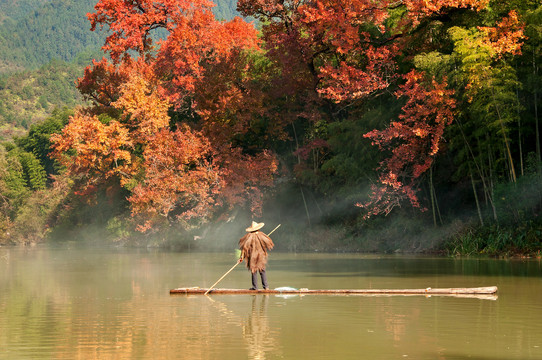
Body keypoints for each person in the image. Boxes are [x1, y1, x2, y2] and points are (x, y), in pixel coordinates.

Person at [238, 221, 274, 290]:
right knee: (262, 270)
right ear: (258, 228)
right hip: (261, 256)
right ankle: (266, 287)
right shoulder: (262, 235)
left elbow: (244, 248)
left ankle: (255, 287)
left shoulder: (248, 237)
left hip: (252, 256)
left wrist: (241, 257)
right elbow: (268, 244)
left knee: (254, 270)